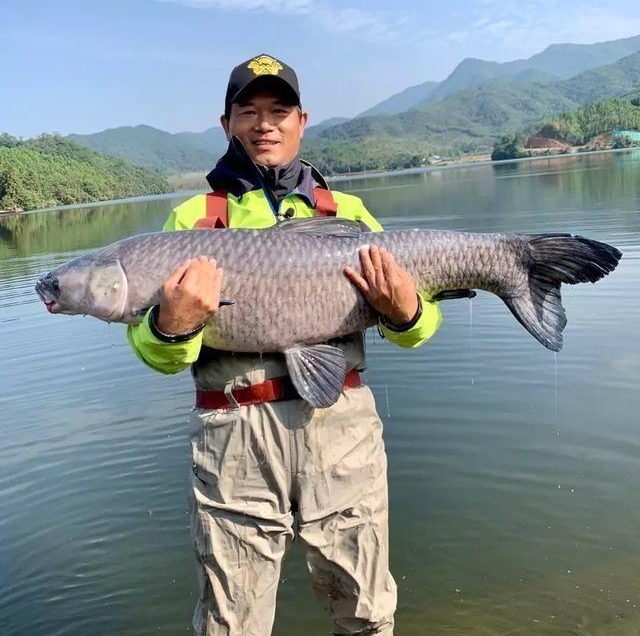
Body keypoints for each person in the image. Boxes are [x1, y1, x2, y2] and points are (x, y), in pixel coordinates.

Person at [127, 54, 442, 636]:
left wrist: (407, 312)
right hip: (233, 440)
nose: (263, 124)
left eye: (278, 111)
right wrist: (172, 326)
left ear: (302, 120)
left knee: (367, 613)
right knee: (231, 624)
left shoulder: (345, 213)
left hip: (343, 429)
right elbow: (155, 352)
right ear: (226, 125)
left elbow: (419, 329)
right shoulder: (191, 221)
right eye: (248, 111)